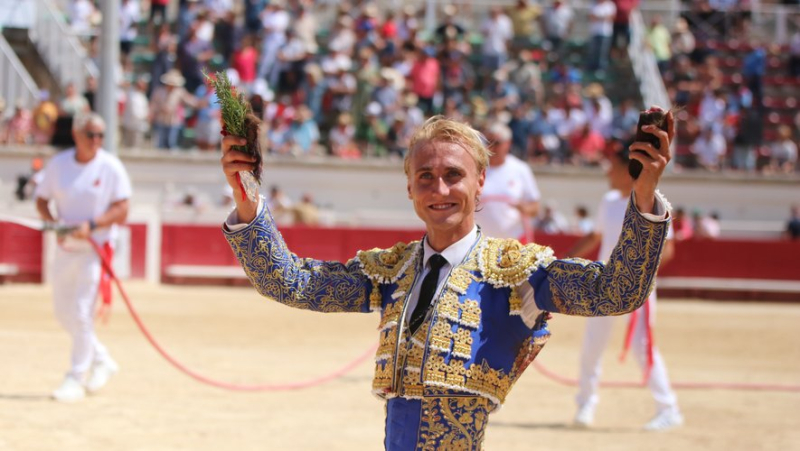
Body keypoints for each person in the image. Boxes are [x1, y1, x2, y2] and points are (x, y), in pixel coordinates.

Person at [219, 114, 674, 449]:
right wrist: (248, 198)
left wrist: (645, 194)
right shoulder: (392, 270)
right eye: (425, 177)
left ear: (480, 183)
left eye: (453, 175)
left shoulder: (516, 272)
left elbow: (617, 290)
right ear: (410, 188)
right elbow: (293, 282)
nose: (440, 190)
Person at [567, 147, 682, 431]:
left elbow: (667, 250)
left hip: (637, 287)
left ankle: (668, 408)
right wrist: (564, 260)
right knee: (592, 346)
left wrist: (641, 278)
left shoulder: (650, 202)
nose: (607, 172)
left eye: (612, 167)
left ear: (627, 170)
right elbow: (596, 235)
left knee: (644, 347)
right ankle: (586, 405)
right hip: (603, 283)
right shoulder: (609, 200)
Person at [34, 112, 132, 402]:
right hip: (66, 249)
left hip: (95, 249)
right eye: (91, 134)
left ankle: (76, 377)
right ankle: (101, 359)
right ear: (76, 135)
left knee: (80, 312)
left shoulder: (110, 166)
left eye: (101, 135)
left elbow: (122, 208)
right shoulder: (59, 165)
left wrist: (92, 225)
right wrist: (55, 224)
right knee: (63, 314)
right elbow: (42, 199)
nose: (96, 141)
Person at [475, 121, 541, 242]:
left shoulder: (520, 169)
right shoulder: (476, 168)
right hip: (480, 243)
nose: (491, 146)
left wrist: (523, 208)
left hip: (513, 244)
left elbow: (535, 207)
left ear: (508, 144)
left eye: (497, 142)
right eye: (488, 142)